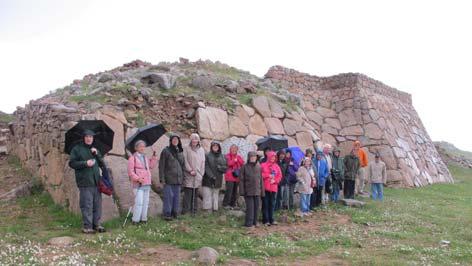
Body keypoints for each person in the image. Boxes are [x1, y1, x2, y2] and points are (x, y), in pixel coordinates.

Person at [68, 129, 106, 234]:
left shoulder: (95, 150)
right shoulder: (77, 149)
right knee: (87, 204)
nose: (89, 138)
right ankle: (87, 226)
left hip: (96, 181)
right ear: (84, 138)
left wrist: (97, 154)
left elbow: (102, 163)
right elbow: (72, 163)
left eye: (91, 137)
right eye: (87, 137)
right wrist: (85, 163)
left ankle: (96, 224)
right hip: (85, 181)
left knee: (97, 204)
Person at [127, 140, 158, 225]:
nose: (142, 148)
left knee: (145, 202)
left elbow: (151, 166)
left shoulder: (145, 157)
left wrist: (154, 157)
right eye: (140, 146)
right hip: (138, 184)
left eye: (143, 146)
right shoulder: (132, 158)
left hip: (146, 183)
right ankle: (135, 220)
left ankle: (143, 219)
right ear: (136, 148)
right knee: (139, 202)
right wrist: (137, 179)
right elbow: (130, 172)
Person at [159, 133, 185, 220]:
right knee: (168, 197)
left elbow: (182, 166)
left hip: (178, 179)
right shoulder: (166, 151)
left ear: (179, 141)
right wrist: (162, 179)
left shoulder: (180, 152)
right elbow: (161, 165)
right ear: (170, 141)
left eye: (177, 140)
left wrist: (183, 178)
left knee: (177, 197)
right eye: (173, 139)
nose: (175, 141)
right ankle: (167, 214)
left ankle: (175, 213)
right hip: (168, 178)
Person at [182, 133, 205, 215]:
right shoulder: (186, 148)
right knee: (188, 193)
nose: (194, 141)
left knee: (195, 193)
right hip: (189, 174)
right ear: (190, 140)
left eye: (196, 139)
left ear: (198, 140)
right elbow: (185, 160)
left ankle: (194, 210)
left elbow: (203, 162)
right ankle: (186, 211)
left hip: (198, 175)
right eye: (193, 139)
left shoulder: (201, 150)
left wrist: (201, 173)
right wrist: (190, 170)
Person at [239, 151, 264, 227]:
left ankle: (255, 222)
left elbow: (261, 180)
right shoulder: (244, 167)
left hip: (257, 191)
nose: (253, 158)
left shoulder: (259, 167)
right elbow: (241, 180)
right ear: (249, 158)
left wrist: (262, 191)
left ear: (256, 158)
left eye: (254, 157)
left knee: (257, 208)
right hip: (248, 191)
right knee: (250, 208)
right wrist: (242, 191)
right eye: (251, 157)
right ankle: (249, 223)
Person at [202, 142, 227, 212]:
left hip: (218, 178)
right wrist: (211, 176)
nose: (215, 147)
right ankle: (207, 210)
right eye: (214, 146)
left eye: (217, 146)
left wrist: (221, 168)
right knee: (207, 194)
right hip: (208, 178)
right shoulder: (207, 155)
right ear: (211, 147)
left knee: (215, 194)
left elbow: (226, 167)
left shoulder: (222, 156)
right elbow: (206, 166)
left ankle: (215, 209)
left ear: (219, 147)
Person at [260, 151, 282, 226]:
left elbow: (279, 176)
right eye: (272, 157)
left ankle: (271, 219)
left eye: (274, 157)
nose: (273, 158)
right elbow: (260, 175)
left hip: (273, 187)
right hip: (265, 188)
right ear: (268, 157)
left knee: (272, 204)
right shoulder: (263, 165)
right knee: (265, 204)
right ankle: (265, 220)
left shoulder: (276, 166)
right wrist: (267, 175)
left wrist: (275, 180)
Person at [223, 144, 244, 209]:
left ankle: (233, 204)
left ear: (237, 150)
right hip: (229, 177)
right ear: (230, 149)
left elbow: (242, 163)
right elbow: (228, 164)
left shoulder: (238, 156)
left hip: (236, 176)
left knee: (235, 192)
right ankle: (225, 204)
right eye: (232, 148)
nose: (234, 150)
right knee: (229, 191)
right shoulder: (227, 156)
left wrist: (237, 159)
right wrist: (234, 160)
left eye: (235, 149)